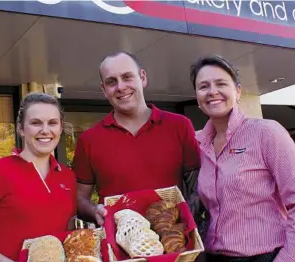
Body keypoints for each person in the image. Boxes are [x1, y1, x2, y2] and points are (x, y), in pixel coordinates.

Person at [190, 55, 295, 262]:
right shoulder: (197, 143)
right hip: (214, 257)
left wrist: (291, 258)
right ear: (197, 97)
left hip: (265, 256)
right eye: (203, 86)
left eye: (221, 83)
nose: (212, 91)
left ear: (238, 91)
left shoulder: (266, 132)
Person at [73, 51, 201, 226]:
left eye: (127, 77)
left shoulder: (180, 126)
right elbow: (79, 199)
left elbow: (199, 188)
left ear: (143, 78)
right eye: (111, 82)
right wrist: (94, 210)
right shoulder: (88, 140)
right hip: (118, 244)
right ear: (103, 89)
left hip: (174, 239)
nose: (120, 87)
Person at [0, 93, 77, 262]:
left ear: (60, 128)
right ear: (21, 129)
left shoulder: (68, 176)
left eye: (52, 123)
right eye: (35, 123)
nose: (45, 130)